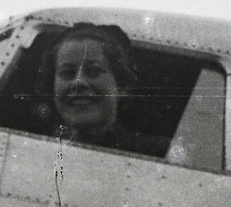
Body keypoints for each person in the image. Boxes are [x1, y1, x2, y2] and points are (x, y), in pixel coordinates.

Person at [41, 24, 171, 157]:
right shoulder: (37, 149)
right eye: (67, 73)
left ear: (121, 87)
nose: (78, 82)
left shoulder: (160, 152)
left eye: (94, 71)